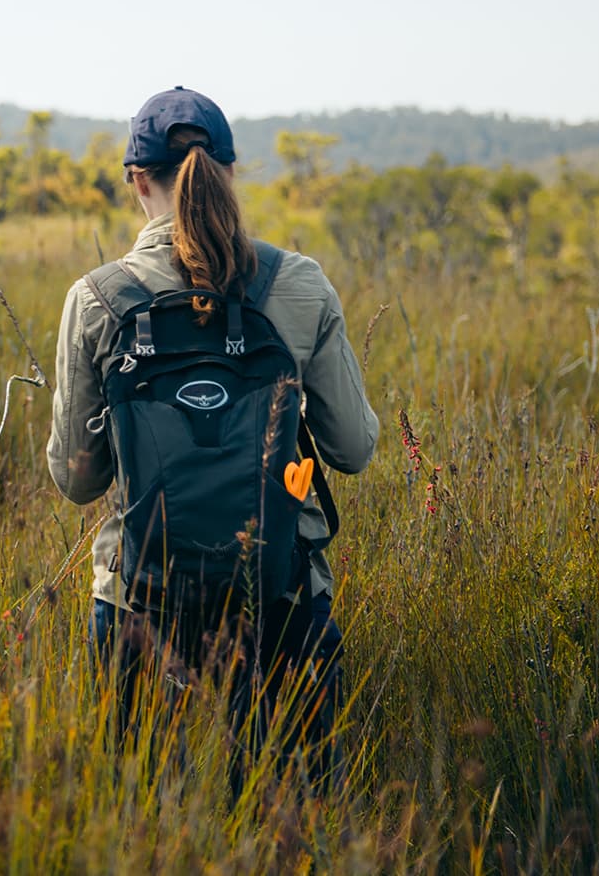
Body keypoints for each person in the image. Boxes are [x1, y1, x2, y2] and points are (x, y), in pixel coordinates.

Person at [46, 86, 379, 789]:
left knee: (137, 827)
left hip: (139, 603)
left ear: (137, 181)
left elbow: (78, 481)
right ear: (229, 171)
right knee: (294, 822)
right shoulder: (301, 286)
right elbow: (352, 448)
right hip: (281, 598)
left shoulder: (97, 298)